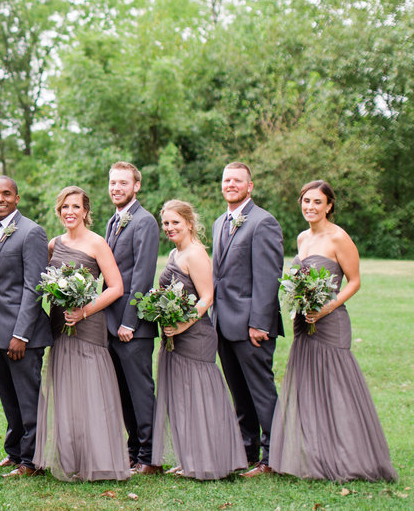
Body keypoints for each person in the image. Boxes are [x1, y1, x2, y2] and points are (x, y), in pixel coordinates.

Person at [269, 181, 396, 482]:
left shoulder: (339, 237)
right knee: (309, 388)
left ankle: (351, 459)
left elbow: (354, 281)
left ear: (329, 206)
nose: (309, 207)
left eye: (317, 202)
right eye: (305, 201)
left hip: (331, 322)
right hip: (304, 322)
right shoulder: (302, 238)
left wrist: (326, 308)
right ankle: (317, 457)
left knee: (337, 391)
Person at [34, 186, 130, 481]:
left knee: (92, 391)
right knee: (66, 391)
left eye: (75, 206)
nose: (70, 212)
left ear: (86, 211)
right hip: (61, 327)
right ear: (59, 211)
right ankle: (71, 458)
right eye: (64, 207)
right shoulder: (53, 244)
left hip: (88, 326)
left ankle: (99, 460)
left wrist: (84, 311)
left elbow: (116, 287)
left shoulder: (97, 243)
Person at [151, 200, 246, 479]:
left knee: (200, 398)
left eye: (175, 223)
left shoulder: (195, 254)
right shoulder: (173, 253)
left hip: (195, 335)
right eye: (166, 223)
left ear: (190, 223)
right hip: (173, 337)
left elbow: (207, 297)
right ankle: (188, 457)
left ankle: (209, 459)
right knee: (181, 399)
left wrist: (181, 325)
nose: (169, 228)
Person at [211, 162, 283, 477]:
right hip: (223, 324)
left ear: (249, 186)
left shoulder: (263, 222)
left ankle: (274, 457)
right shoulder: (218, 223)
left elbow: (268, 279)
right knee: (240, 394)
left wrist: (260, 323)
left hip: (252, 326)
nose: (231, 184)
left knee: (261, 392)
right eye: (227, 180)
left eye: (238, 180)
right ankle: (248, 450)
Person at [0, 176, 51, 477]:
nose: (0, 199)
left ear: (16, 198)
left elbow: (33, 287)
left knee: (28, 398)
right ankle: (13, 452)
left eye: (6, 194)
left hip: (24, 335)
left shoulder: (31, 232)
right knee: (8, 399)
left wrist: (20, 334)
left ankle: (32, 460)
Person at [104, 161, 160, 474]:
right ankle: (134, 451)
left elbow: (142, 275)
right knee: (123, 392)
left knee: (140, 391)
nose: (116, 188)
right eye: (113, 183)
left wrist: (130, 321)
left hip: (132, 326)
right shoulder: (115, 221)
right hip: (111, 324)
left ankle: (150, 457)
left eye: (123, 183)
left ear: (136, 186)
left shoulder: (145, 221)